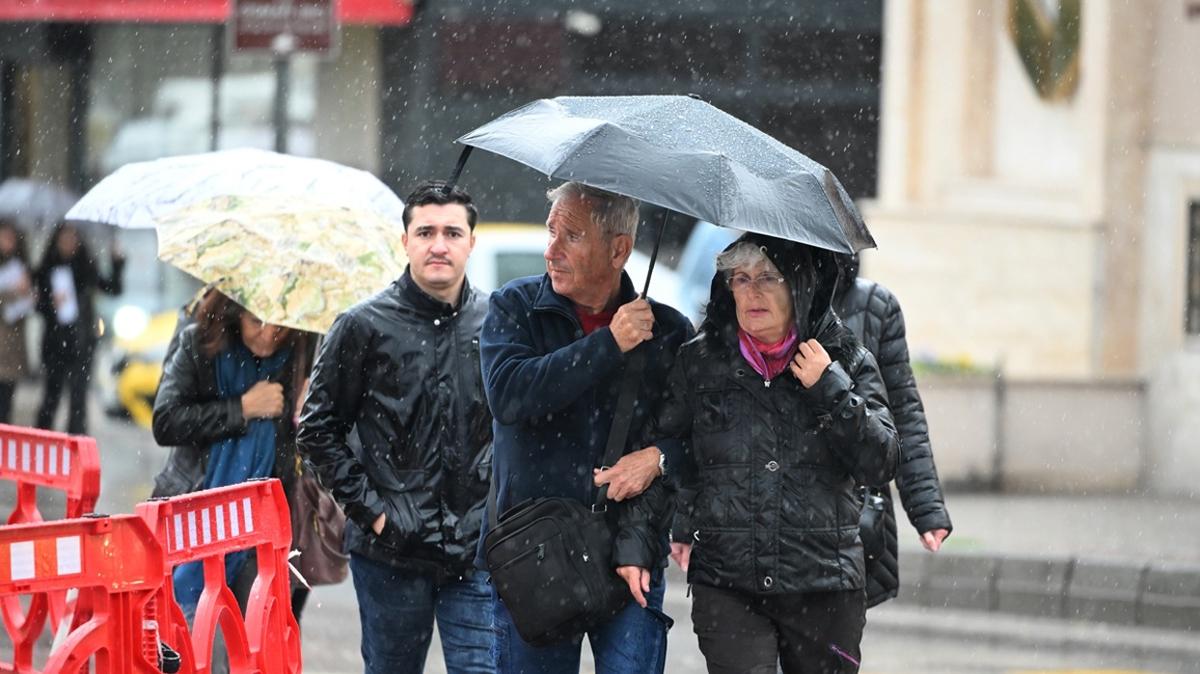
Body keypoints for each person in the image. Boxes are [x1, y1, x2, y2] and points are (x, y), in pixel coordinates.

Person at [637, 235, 899, 674]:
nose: (752, 291)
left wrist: (830, 390)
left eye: (767, 277)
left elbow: (882, 459)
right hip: (728, 581)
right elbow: (676, 449)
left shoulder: (844, 358)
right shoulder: (700, 362)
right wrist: (682, 519)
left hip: (824, 584)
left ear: (799, 286)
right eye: (741, 279)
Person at [479, 182, 693, 674]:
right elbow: (509, 396)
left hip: (629, 555)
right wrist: (607, 345)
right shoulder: (514, 307)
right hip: (532, 553)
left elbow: (700, 437)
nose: (551, 250)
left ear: (618, 249)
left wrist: (659, 457)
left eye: (570, 236)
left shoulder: (670, 331)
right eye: (551, 231)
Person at [296, 181, 494, 674]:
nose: (439, 245)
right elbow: (317, 431)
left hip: (476, 554)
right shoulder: (363, 325)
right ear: (404, 242)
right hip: (390, 556)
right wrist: (375, 514)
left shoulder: (497, 323)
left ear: (472, 242)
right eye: (425, 231)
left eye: (453, 232)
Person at [151, 289, 314, 673]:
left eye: (280, 325)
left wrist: (311, 411)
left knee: (260, 647)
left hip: (267, 524)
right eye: (256, 321)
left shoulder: (304, 352)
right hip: (198, 513)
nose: (268, 333)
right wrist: (240, 408)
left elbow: (318, 446)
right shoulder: (200, 342)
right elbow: (165, 420)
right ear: (234, 312)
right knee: (197, 642)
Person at [834, 255, 953, 607]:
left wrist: (925, 506)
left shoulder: (873, 306)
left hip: (850, 510)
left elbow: (902, 410)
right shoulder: (746, 294)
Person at [34, 222, 124, 435]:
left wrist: (117, 263)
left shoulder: (85, 268)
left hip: (81, 343)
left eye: (73, 239)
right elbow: (37, 305)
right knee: (51, 396)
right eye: (64, 238)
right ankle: (42, 442)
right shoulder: (47, 268)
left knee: (78, 399)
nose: (69, 243)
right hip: (54, 343)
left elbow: (113, 288)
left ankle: (75, 446)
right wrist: (49, 301)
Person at [0, 219, 33, 423]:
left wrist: (28, 295)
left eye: (11, 238)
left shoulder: (22, 267)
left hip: (13, 348)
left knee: (6, 404)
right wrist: (14, 293)